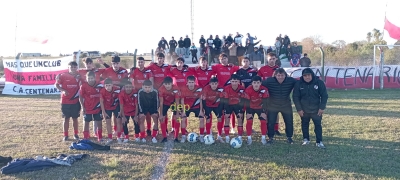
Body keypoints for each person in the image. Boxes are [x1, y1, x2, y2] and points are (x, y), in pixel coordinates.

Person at [293, 68, 328, 148]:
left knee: (318, 125)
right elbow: (295, 97)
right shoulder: (299, 84)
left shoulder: (319, 82)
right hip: (304, 109)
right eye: (305, 75)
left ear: (312, 75)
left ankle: (319, 141)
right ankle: (306, 139)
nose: (307, 77)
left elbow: (324, 96)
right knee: (304, 124)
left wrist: (322, 107)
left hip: (316, 109)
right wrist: (299, 109)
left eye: (308, 75)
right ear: (302, 76)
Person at [262, 68, 297, 145]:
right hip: (273, 105)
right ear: (275, 75)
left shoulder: (290, 80)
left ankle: (289, 137)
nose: (280, 77)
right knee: (271, 122)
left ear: (285, 75)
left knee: (289, 121)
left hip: (286, 105)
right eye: (278, 75)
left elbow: (301, 83)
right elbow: (259, 84)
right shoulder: (269, 81)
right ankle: (270, 137)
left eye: (282, 75)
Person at [78, 57, 109, 137]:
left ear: (92, 63)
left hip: (97, 96)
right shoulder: (81, 71)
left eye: (90, 63)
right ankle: (86, 134)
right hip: (86, 96)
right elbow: (71, 71)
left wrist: (103, 63)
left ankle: (97, 133)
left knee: (97, 118)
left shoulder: (97, 70)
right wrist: (59, 76)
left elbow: (109, 70)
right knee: (87, 118)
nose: (88, 65)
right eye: (86, 64)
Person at [211, 53, 240, 134]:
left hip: (230, 92)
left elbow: (241, 68)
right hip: (220, 93)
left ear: (228, 59)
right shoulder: (217, 67)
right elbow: (207, 69)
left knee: (232, 111)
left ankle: (233, 128)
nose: (224, 60)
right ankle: (223, 127)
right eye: (222, 59)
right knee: (223, 111)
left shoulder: (231, 67)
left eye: (225, 58)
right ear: (220, 60)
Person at [101, 56, 128, 137]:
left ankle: (122, 130)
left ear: (119, 63)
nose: (115, 65)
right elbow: (102, 80)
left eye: (117, 63)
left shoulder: (124, 71)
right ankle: (115, 129)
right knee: (113, 114)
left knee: (120, 113)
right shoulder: (107, 71)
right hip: (110, 94)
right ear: (111, 64)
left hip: (120, 94)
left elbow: (125, 82)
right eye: (114, 63)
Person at [55, 61, 81, 141]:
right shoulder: (63, 76)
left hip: (76, 100)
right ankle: (65, 135)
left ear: (77, 68)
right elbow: (56, 84)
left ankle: (76, 134)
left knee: (75, 118)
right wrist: (63, 90)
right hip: (65, 101)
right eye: (71, 67)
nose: (73, 69)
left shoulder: (79, 75)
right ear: (68, 68)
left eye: (74, 67)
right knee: (66, 118)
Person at [130, 57, 154, 136]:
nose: (140, 63)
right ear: (137, 63)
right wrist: (133, 90)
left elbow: (151, 82)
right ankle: (140, 130)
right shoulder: (134, 71)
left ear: (144, 62)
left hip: (147, 94)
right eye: (139, 62)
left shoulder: (148, 71)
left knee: (148, 114)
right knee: (139, 113)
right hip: (138, 95)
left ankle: (148, 129)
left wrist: (149, 91)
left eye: (141, 62)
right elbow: (131, 81)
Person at [243, 76, 269, 145]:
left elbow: (266, 101)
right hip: (251, 107)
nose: (256, 84)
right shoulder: (248, 89)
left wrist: (264, 111)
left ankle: (263, 138)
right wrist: (248, 112)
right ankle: (249, 138)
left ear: (260, 83)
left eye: (258, 82)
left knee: (263, 121)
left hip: (260, 107)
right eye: (254, 83)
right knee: (249, 120)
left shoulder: (264, 89)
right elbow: (247, 101)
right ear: (252, 83)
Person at [79, 71, 104, 142]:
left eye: (92, 78)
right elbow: (80, 96)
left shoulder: (99, 85)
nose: (90, 80)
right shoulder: (83, 86)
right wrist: (82, 107)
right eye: (89, 78)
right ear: (86, 78)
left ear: (94, 78)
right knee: (86, 122)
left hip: (97, 107)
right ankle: (86, 137)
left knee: (99, 122)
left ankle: (100, 136)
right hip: (88, 107)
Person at [220, 74, 245, 143]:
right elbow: (224, 100)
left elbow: (243, 99)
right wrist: (224, 108)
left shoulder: (242, 88)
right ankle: (227, 136)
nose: (234, 83)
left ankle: (240, 136)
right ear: (230, 81)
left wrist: (242, 107)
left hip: (238, 105)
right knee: (227, 118)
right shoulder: (227, 88)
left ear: (238, 82)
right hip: (229, 105)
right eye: (233, 81)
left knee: (240, 118)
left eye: (236, 81)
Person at [158, 77, 180, 143]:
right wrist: (161, 114)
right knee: (162, 118)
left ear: (172, 83)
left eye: (169, 84)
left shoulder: (176, 88)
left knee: (177, 118)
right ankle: (164, 136)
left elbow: (177, 102)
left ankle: (176, 137)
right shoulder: (161, 89)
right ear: (163, 84)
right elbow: (161, 102)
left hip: (173, 103)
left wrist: (178, 113)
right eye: (166, 84)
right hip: (165, 103)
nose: (167, 86)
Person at [100, 78, 121, 145]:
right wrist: (104, 112)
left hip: (116, 107)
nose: (108, 87)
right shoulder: (102, 91)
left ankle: (119, 137)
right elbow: (101, 102)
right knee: (108, 122)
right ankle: (110, 138)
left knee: (118, 121)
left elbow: (120, 100)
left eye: (109, 85)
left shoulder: (117, 89)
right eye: (106, 85)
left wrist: (120, 110)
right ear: (104, 85)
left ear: (112, 85)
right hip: (107, 108)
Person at [119, 78, 139, 143]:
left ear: (132, 87)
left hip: (133, 111)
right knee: (124, 122)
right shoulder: (121, 94)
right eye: (127, 87)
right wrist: (123, 117)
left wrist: (136, 116)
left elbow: (137, 105)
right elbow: (121, 106)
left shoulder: (135, 93)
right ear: (124, 87)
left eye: (130, 87)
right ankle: (126, 137)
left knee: (136, 122)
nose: (128, 88)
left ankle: (137, 136)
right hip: (125, 111)